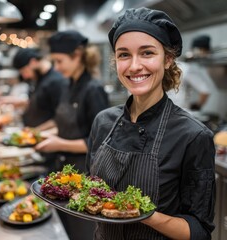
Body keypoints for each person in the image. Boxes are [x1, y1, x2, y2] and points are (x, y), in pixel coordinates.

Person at [86, 7, 216, 240]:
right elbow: (90, 192)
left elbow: (199, 231)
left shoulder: (193, 136)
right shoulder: (102, 122)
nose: (134, 66)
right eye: (124, 54)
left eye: (147, 53)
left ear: (167, 59)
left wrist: (140, 213)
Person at [35, 30, 109, 240]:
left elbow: (100, 144)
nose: (56, 68)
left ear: (77, 55)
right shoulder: (69, 85)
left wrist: (59, 143)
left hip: (83, 176)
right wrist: (41, 134)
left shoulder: (93, 90)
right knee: (65, 230)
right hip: (64, 173)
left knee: (82, 232)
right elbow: (63, 123)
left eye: (59, 61)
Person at [0, 47, 65, 128]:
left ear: (33, 62)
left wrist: (34, 132)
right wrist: (21, 102)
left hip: (44, 136)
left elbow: (60, 118)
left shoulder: (56, 81)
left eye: (24, 71)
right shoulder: (37, 78)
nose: (25, 76)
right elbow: (42, 104)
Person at [167, 35, 213, 111]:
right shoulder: (188, 69)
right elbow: (205, 91)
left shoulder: (175, 66)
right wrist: (197, 106)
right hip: (180, 111)